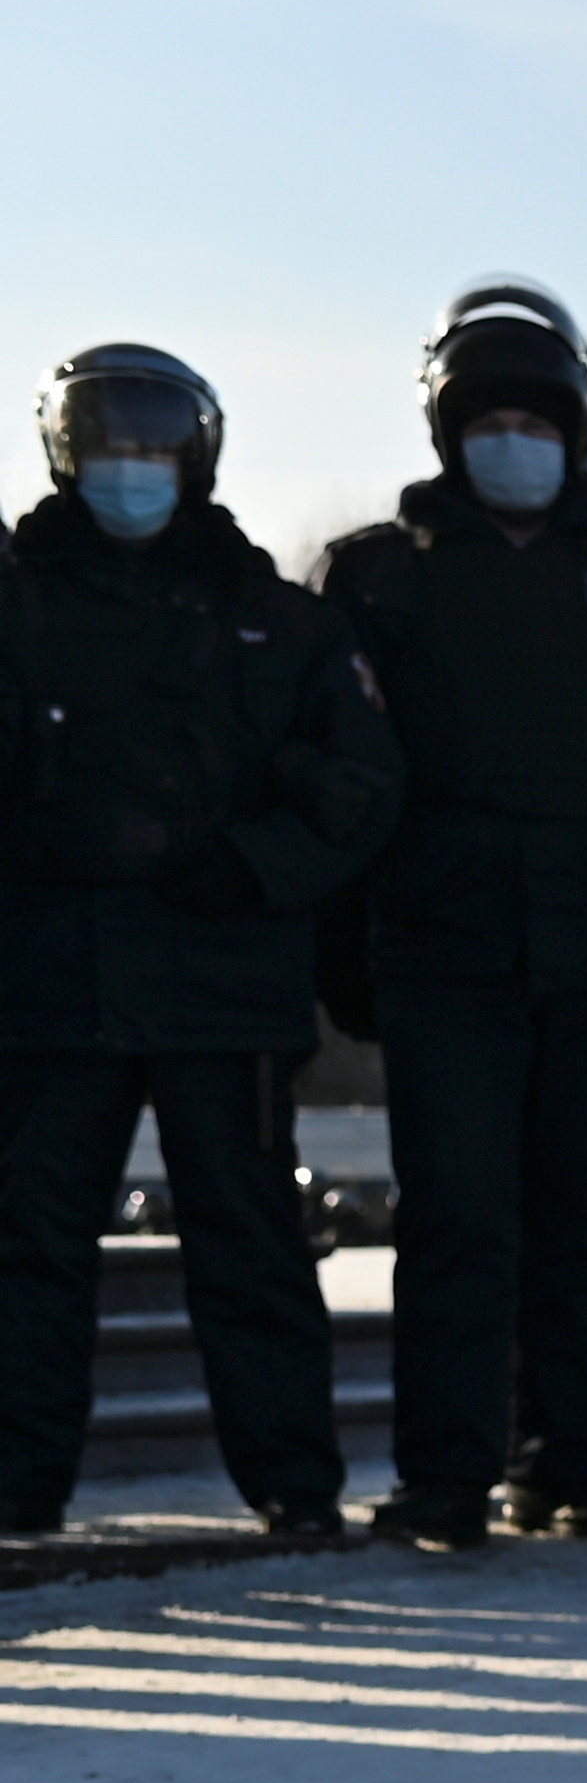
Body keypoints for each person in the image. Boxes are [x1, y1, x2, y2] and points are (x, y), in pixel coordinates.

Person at [313, 281, 587, 1549]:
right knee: (455, 1216)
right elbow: (340, 772)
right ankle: (444, 1470)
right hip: (447, 946)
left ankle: (565, 1462)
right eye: (484, 417)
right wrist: (347, 954)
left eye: (532, 418)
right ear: (445, 430)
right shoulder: (377, 578)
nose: (510, 440)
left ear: (577, 427)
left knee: (586, 1218)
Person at [0, 344, 399, 1541]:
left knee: (250, 1234)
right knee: (30, 1236)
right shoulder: (14, 604)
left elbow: (362, 784)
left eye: (152, 448)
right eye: (108, 447)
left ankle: (292, 1480)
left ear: (197, 457)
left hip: (223, 971)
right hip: (48, 975)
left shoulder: (275, 620)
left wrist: (253, 867)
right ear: (68, 455)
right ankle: (18, 1482)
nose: (131, 470)